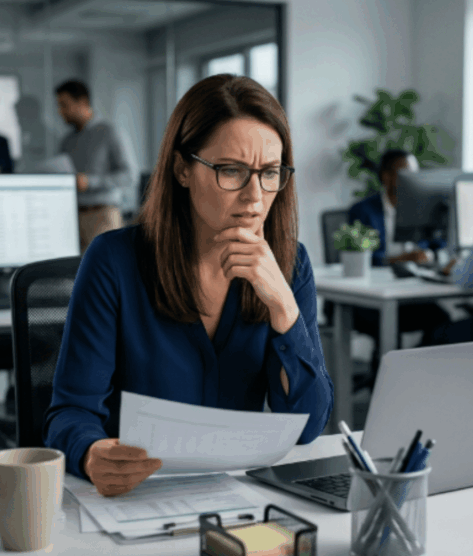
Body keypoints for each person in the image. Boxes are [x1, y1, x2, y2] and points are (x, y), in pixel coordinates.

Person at [43, 74, 333, 497]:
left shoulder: (290, 263)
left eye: (269, 173)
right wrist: (90, 452)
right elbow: (70, 412)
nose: (255, 197)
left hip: (239, 502)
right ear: (182, 168)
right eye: (231, 171)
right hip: (136, 499)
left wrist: (284, 310)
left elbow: (308, 426)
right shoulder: (114, 262)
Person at [342, 149, 451, 380]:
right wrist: (402, 260)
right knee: (388, 327)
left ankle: (415, 377)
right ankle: (387, 384)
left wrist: (429, 255)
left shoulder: (423, 208)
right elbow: (364, 258)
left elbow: (439, 244)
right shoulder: (363, 210)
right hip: (369, 297)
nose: (414, 180)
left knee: (441, 320)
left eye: (416, 174)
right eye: (406, 174)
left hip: (408, 292)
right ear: (387, 176)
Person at [55, 79, 137, 252]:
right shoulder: (67, 142)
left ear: (83, 102)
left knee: (105, 275)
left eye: (64, 105)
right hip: (72, 220)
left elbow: (130, 175)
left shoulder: (109, 132)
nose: (60, 111)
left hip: (103, 217)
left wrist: (90, 182)